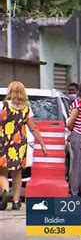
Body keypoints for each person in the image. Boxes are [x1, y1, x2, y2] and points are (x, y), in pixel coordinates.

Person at [0, 82, 47, 210]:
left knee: (2, 172)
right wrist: (42, 143)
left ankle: (5, 191)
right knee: (17, 173)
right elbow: (33, 128)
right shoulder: (26, 108)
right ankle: (16, 202)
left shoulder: (2, 105)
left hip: (3, 142)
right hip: (19, 144)